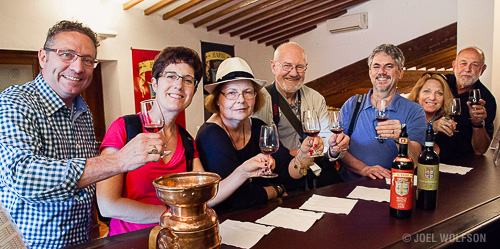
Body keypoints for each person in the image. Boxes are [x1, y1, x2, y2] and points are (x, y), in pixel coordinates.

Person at [0, 21, 165, 248]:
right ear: (43, 57)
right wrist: (120, 160)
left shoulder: (82, 110)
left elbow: (86, 187)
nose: (78, 67)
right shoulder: (15, 101)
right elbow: (24, 178)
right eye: (67, 54)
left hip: (82, 241)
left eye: (87, 60)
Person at [96, 47, 268, 235]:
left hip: (178, 239)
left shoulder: (186, 140)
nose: (179, 85)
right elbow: (107, 205)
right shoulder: (124, 128)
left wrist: (243, 172)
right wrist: (171, 214)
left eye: (187, 80)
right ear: (154, 83)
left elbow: (206, 196)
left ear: (193, 91)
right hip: (130, 241)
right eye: (171, 76)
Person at [196, 57, 347, 210]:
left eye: (248, 92)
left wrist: (303, 156)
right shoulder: (211, 135)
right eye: (231, 93)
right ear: (217, 100)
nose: (241, 100)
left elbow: (287, 172)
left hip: (260, 212)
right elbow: (236, 198)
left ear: (256, 97)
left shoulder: (258, 127)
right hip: (229, 221)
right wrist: (277, 190)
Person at [253, 42, 349, 188]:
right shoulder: (259, 100)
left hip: (317, 175)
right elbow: (259, 146)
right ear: (274, 67)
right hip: (282, 177)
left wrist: (335, 148)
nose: (294, 73)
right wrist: (301, 153)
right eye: (287, 66)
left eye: (299, 67)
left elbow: (326, 145)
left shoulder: (316, 98)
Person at [338, 44, 426, 181]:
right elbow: (338, 151)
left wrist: (401, 139)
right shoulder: (352, 104)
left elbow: (414, 161)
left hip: (393, 187)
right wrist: (364, 169)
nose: (382, 71)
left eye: (389, 66)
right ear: (370, 72)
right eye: (376, 66)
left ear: (400, 73)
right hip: (349, 186)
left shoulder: (415, 111)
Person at [435, 47, 497, 163]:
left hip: (464, 163)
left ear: (482, 69)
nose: (467, 69)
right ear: (454, 65)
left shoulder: (486, 99)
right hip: (431, 156)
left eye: (474, 65)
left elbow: (480, 150)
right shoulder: (440, 84)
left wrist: (478, 123)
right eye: (463, 63)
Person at [407, 72, 455, 153]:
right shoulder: (406, 117)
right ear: (417, 95)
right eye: (427, 91)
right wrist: (431, 128)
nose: (432, 97)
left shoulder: (445, 121)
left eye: (439, 93)